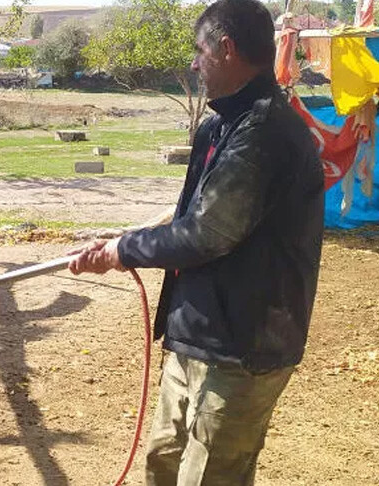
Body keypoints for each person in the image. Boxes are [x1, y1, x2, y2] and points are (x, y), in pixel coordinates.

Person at [67, 0, 324, 484]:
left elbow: (208, 233)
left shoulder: (265, 132)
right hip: (198, 335)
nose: (193, 62)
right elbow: (193, 220)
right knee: (162, 462)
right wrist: (124, 241)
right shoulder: (219, 127)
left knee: (208, 477)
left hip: (244, 346)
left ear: (226, 49)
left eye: (199, 51)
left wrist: (123, 251)